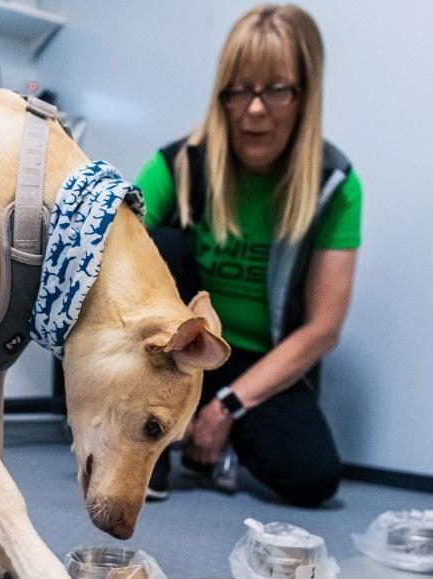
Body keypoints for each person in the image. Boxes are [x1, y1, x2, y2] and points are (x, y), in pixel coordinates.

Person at [137, 3, 361, 506]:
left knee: (313, 478)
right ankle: (149, 443)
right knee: (155, 242)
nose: (254, 110)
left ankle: (215, 434)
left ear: (306, 95)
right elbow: (108, 247)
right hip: (179, 349)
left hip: (259, 363)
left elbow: (323, 328)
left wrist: (225, 409)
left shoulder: (335, 185)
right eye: (239, 91)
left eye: (276, 90)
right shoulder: (178, 163)